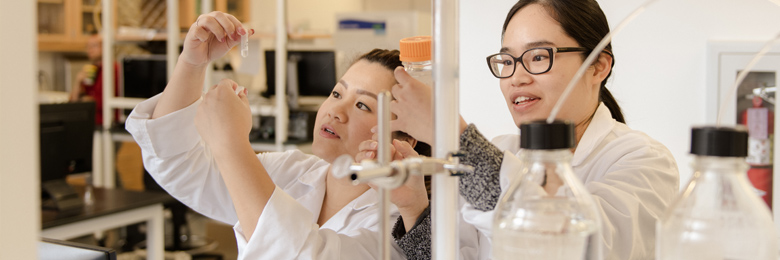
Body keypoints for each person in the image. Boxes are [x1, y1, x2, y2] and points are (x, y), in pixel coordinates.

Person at [125, 11, 476, 259]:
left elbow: (299, 254)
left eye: (364, 107)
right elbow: (175, 162)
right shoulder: (293, 171)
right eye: (338, 94)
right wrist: (193, 62)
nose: (334, 111)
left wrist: (231, 144)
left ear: (407, 137)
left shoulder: (402, 224)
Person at [375, 0, 680, 259]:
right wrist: (414, 206)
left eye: (537, 57)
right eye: (507, 61)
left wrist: (457, 139)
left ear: (598, 66)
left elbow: (579, 248)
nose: (516, 78)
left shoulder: (644, 161)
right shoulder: (504, 150)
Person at [69, 33, 118, 126]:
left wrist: (86, 100)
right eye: (87, 46)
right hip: (88, 121)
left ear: (105, 47)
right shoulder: (92, 70)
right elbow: (73, 102)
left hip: (106, 122)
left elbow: (103, 102)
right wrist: (78, 82)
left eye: (94, 46)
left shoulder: (114, 69)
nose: (89, 50)